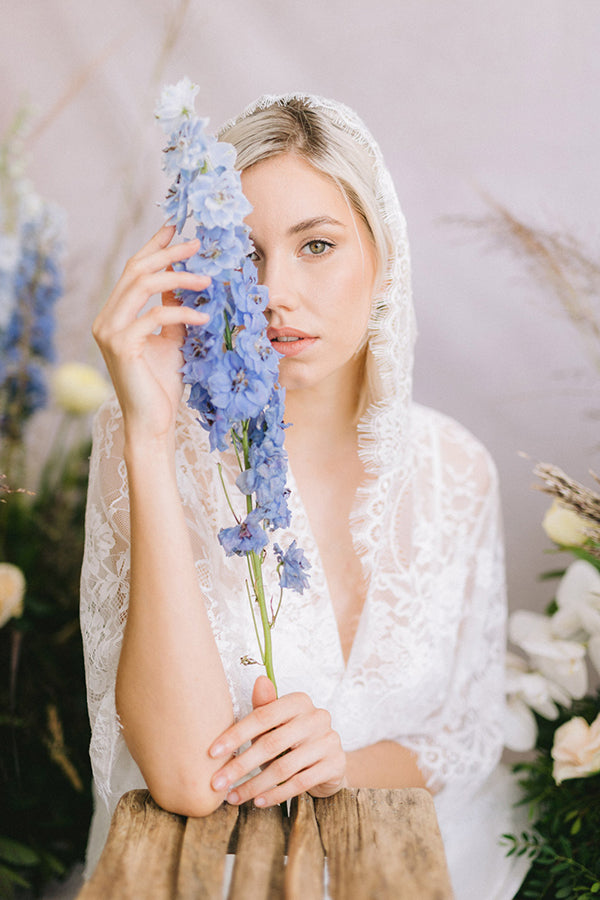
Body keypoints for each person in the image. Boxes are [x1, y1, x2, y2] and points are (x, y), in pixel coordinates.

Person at [80, 93, 529, 898]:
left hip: (427, 866)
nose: (275, 291)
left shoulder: (456, 469)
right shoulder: (145, 442)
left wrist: (339, 764)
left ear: (383, 254)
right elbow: (187, 778)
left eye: (316, 244)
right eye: (243, 255)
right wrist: (148, 437)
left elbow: (459, 740)